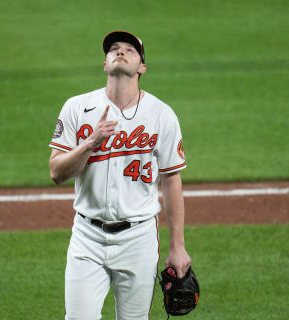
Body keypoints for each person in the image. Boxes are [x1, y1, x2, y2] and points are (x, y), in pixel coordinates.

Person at [49, 30, 191, 320]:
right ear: (105, 64)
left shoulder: (161, 115)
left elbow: (171, 179)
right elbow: (56, 172)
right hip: (86, 237)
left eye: (130, 49)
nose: (120, 51)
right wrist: (90, 144)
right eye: (113, 48)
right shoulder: (77, 107)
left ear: (142, 67)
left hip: (138, 238)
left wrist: (178, 246)